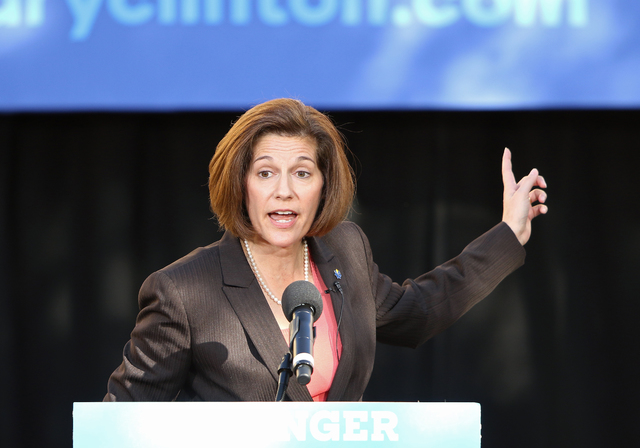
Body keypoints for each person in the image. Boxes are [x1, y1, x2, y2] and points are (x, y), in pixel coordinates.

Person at [104, 98, 547, 402]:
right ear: (240, 184)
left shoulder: (345, 249)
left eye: (302, 173)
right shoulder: (182, 291)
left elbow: (416, 312)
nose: (284, 191)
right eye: (265, 173)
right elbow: (120, 423)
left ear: (323, 186)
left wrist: (508, 233)